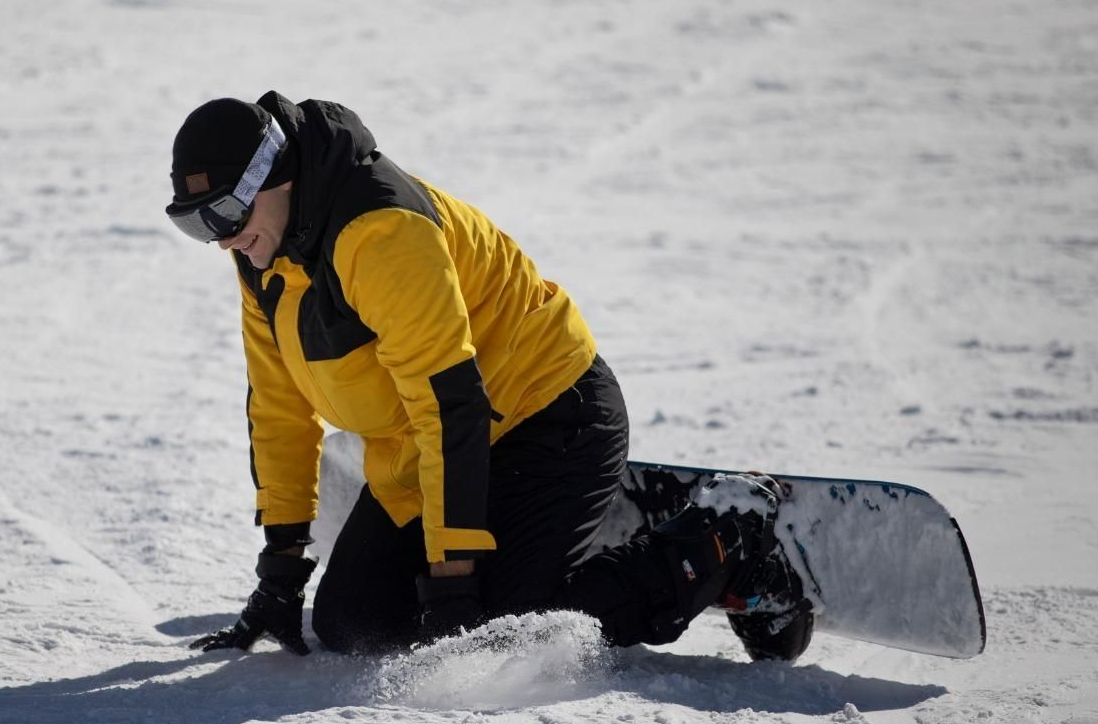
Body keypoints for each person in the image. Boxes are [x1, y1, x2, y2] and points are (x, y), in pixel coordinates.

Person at [164, 92, 815, 662]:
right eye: (198, 225)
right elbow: (278, 408)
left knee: (493, 638)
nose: (221, 241)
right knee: (352, 625)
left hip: (549, 411)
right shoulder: (265, 252)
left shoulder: (380, 232)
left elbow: (451, 406)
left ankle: (726, 537)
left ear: (274, 176)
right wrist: (278, 577)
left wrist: (453, 583)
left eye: (224, 216)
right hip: (431, 451)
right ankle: (536, 532)